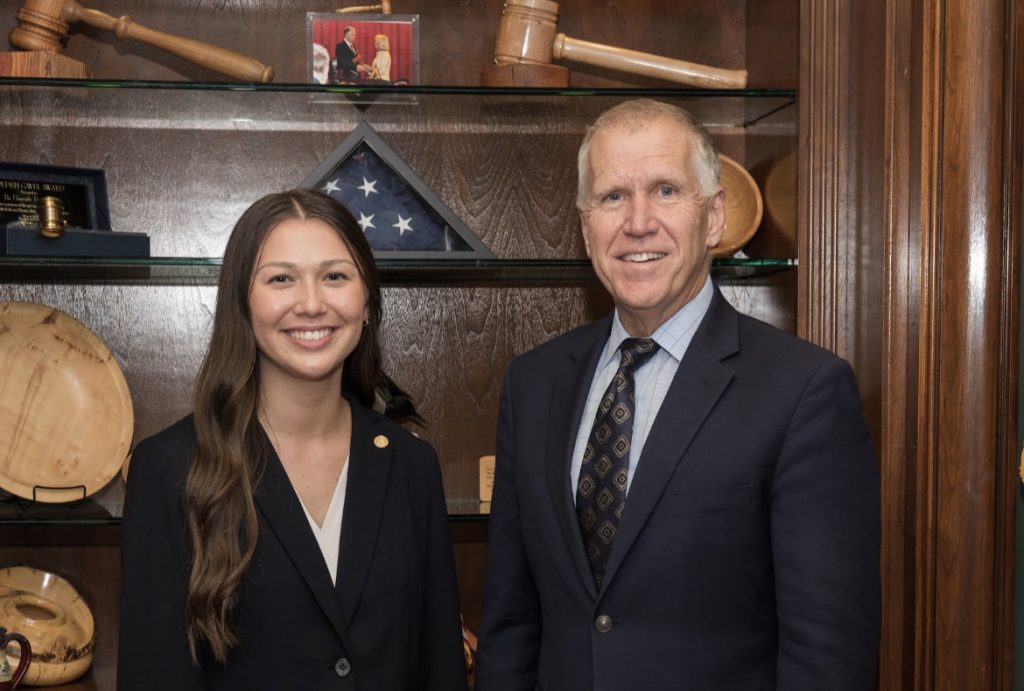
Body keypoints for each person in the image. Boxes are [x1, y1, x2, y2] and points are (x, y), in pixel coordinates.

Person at [474, 99, 881, 690]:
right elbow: (512, 623)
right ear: (586, 224)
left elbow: (827, 657)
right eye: (613, 197)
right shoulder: (533, 384)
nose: (638, 222)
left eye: (665, 191)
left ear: (713, 216)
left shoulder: (803, 392)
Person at [118, 189, 468, 691]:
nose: (310, 303)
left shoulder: (412, 466)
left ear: (366, 301)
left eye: (335, 276)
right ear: (243, 302)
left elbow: (440, 669)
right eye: (281, 278)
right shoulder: (169, 468)